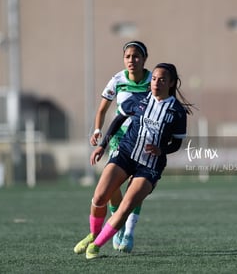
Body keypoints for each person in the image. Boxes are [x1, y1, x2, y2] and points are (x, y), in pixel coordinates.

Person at [75, 63, 192, 260]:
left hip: (150, 166)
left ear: (171, 83)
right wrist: (102, 145)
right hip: (125, 154)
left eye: (162, 79)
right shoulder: (139, 100)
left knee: (126, 206)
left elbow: (177, 144)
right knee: (99, 197)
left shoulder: (177, 112)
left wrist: (161, 149)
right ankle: (93, 234)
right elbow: (118, 120)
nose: (156, 82)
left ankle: (96, 245)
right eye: (154, 78)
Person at [89, 41, 151, 252]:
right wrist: (97, 131)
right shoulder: (117, 80)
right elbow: (102, 110)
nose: (131, 60)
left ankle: (130, 232)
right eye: (127, 57)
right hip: (119, 139)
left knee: (135, 187)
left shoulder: (154, 81)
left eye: (136, 56)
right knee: (112, 186)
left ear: (144, 59)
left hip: (144, 139)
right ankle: (119, 224)